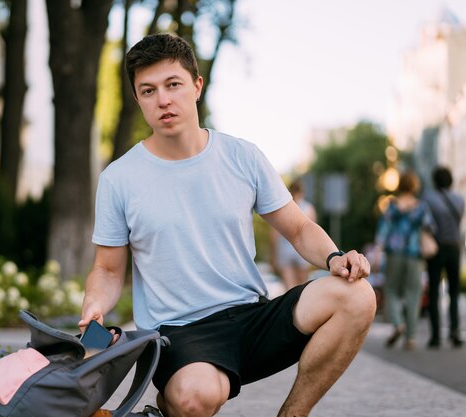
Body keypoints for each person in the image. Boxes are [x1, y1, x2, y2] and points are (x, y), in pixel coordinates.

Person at [79, 33, 376, 417]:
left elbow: (299, 228)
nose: (163, 100)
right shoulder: (119, 178)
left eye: (173, 85)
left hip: (252, 317)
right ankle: (169, 404)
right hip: (181, 334)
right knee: (193, 398)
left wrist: (335, 257)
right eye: (148, 91)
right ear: (137, 99)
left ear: (197, 86)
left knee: (358, 296)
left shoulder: (243, 157)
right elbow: (106, 268)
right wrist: (94, 306)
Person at [374, 171, 435, 351]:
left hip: (394, 254)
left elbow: (382, 233)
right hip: (414, 255)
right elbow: (431, 227)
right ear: (415, 186)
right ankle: (411, 337)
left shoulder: (392, 207)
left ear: (400, 186)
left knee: (391, 290)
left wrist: (377, 253)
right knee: (413, 293)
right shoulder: (421, 207)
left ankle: (398, 323)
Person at [423, 166, 466, 348]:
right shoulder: (460, 200)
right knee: (454, 291)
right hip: (455, 247)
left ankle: (435, 336)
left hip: (436, 248)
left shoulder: (428, 199)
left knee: (434, 291)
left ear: (434, 181)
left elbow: (428, 224)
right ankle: (455, 331)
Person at [270, 179, 317, 290]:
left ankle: (290, 306)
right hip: (303, 249)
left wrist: (273, 256)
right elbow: (313, 233)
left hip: (285, 249)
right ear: (302, 192)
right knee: (303, 286)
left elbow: (274, 234)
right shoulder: (309, 208)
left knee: (289, 286)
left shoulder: (282, 207)